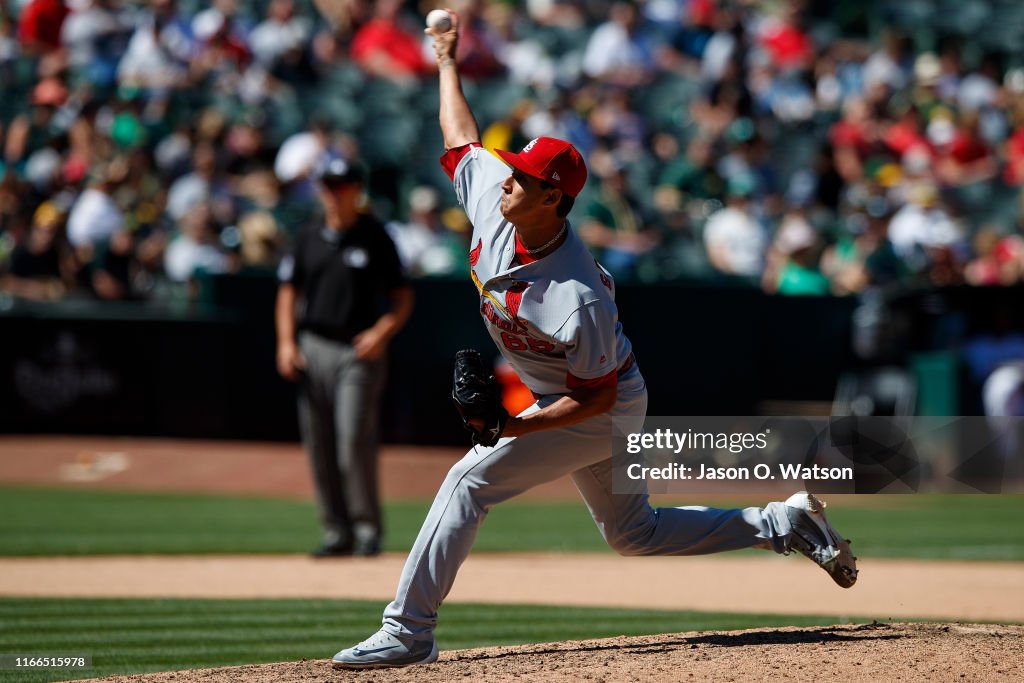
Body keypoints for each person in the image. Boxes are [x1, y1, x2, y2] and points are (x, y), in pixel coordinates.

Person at [330, 10, 858, 670]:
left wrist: (508, 429)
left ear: (555, 199)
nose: (507, 178)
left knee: (469, 481)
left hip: (598, 404)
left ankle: (408, 630)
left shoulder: (575, 296)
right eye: (512, 170)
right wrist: (445, 60)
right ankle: (782, 522)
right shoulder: (501, 194)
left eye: (523, 176)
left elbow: (596, 400)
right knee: (634, 532)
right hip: (578, 392)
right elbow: (460, 135)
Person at [275, 156, 413, 558]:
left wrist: (381, 333)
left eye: (343, 186)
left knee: (353, 439)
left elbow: (402, 298)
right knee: (318, 443)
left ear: (357, 190)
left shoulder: (376, 236)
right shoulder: (307, 236)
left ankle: (367, 528)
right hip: (313, 344)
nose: (335, 194)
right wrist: (286, 342)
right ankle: (336, 531)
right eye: (329, 186)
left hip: (357, 348)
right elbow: (288, 292)